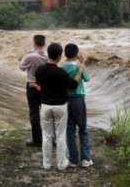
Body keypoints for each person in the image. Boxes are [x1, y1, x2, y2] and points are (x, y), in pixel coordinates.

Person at [35, 43, 84, 171]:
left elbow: (39, 85)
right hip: (60, 107)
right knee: (60, 136)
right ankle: (62, 164)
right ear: (59, 56)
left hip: (45, 106)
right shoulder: (60, 72)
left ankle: (47, 164)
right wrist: (80, 70)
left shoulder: (39, 70)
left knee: (46, 136)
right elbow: (73, 84)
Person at [62, 43, 92, 168]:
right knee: (83, 130)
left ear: (65, 54)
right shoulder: (78, 67)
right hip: (79, 99)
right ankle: (85, 159)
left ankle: (73, 159)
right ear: (76, 54)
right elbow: (87, 78)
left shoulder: (62, 68)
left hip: (67, 100)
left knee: (70, 130)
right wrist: (82, 64)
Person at [19, 35, 48, 147]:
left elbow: (21, 67)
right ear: (44, 44)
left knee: (34, 113)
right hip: (45, 87)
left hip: (32, 86)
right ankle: (50, 137)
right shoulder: (48, 56)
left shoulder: (29, 56)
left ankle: (37, 139)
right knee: (47, 113)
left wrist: (26, 55)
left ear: (34, 43)